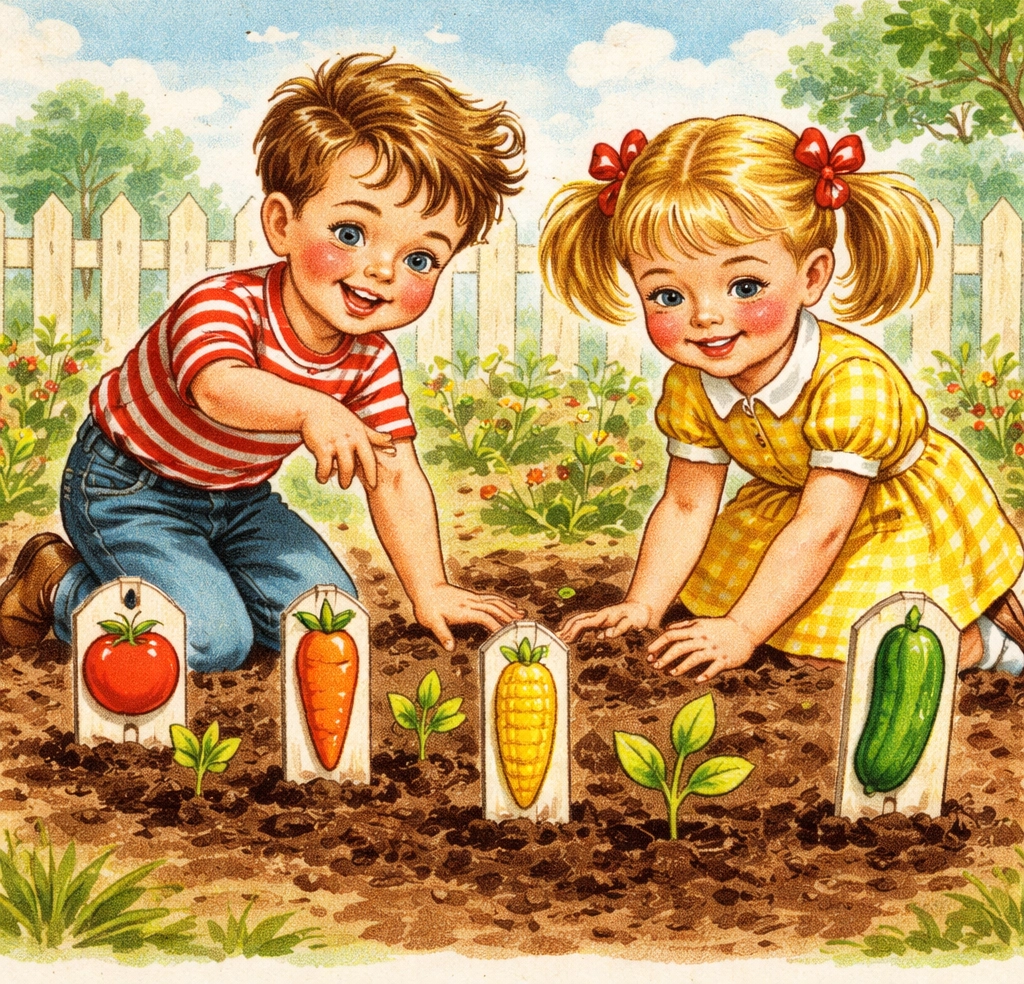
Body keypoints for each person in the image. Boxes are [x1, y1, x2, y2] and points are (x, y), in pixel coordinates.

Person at [0, 52, 526, 671]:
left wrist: (429, 587)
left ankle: (199, 579)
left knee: (325, 619)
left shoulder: (369, 360)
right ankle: (54, 582)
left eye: (420, 259)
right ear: (281, 223)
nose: (383, 269)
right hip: (129, 486)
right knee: (209, 642)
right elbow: (217, 389)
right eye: (351, 233)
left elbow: (395, 474)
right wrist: (311, 409)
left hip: (239, 500)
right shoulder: (224, 304)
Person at [541, 115, 1024, 682]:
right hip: (793, 504)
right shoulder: (692, 383)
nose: (705, 316)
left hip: (893, 511)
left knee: (853, 646)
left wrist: (743, 629)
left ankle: (988, 643)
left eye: (744, 287)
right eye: (667, 295)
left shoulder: (851, 382)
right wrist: (643, 605)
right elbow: (688, 504)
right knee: (732, 618)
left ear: (812, 277)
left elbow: (821, 527)